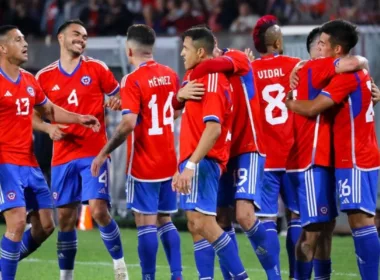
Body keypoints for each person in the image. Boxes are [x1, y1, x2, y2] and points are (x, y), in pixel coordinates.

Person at [0, 25, 99, 280]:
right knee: (18, 222)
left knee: (46, 225)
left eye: (24, 39)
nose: (25, 44)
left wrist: (79, 118)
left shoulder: (29, 80)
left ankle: (3, 264)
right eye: (18, 40)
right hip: (5, 163)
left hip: (30, 164)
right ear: (2, 48)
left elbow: (50, 111)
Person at [286, 19, 380, 280]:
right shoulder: (351, 73)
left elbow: (315, 106)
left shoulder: (346, 75)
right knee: (326, 227)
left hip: (354, 157)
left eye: (323, 43)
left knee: (359, 221)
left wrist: (290, 103)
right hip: (345, 157)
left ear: (337, 50)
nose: (319, 47)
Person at [34, 20, 127, 280]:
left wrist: (119, 101)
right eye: (77, 34)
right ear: (61, 38)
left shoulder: (97, 68)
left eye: (85, 36)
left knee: (98, 209)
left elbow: (120, 95)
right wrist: (47, 129)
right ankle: (66, 276)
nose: (82, 39)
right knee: (65, 219)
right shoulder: (44, 76)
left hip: (94, 152)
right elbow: (34, 115)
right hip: (62, 156)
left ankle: (120, 267)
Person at [91, 24, 183, 280]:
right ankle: (177, 275)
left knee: (145, 223)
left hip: (144, 162)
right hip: (167, 159)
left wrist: (103, 152)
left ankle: (148, 277)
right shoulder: (170, 74)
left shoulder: (131, 80)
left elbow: (129, 124)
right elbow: (174, 111)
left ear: (129, 50)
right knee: (165, 220)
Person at [189, 44, 281, 279]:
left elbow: (211, 63)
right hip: (223, 151)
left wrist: (193, 69)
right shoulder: (211, 78)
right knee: (219, 218)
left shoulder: (236, 57)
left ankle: (274, 275)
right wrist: (182, 90)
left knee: (245, 215)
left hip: (248, 147)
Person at [172, 26, 249, 280]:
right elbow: (179, 112)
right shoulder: (196, 75)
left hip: (204, 159)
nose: (182, 53)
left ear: (201, 51)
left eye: (185, 48)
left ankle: (241, 277)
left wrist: (191, 165)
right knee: (196, 225)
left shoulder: (213, 78)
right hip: (196, 157)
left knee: (205, 223)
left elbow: (213, 128)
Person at [250, 15, 301, 279]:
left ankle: (274, 277)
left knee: (267, 219)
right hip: (295, 155)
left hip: (264, 156)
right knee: (297, 217)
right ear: (278, 41)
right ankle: (297, 275)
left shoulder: (249, 71)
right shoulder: (297, 66)